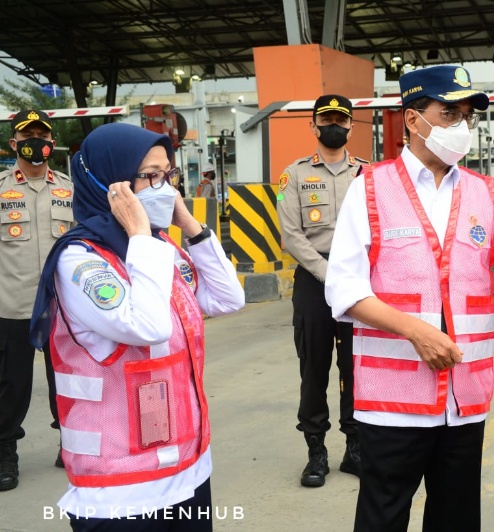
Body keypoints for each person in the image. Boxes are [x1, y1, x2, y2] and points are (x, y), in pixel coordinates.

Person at [324, 65, 494, 531]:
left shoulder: (483, 192)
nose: (461, 126)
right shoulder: (371, 189)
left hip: (464, 398)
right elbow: (343, 290)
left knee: (457, 519)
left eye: (467, 116)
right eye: (449, 113)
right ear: (412, 120)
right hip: (393, 403)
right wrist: (414, 331)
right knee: (382, 517)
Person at [29, 122, 245, 529]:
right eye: (148, 176)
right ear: (110, 184)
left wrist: (188, 223)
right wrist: (142, 232)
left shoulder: (160, 247)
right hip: (118, 486)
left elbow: (228, 298)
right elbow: (147, 327)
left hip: (187, 469)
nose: (161, 187)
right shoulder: (79, 259)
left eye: (167, 175)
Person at [276, 94, 368, 488]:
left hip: (360, 282)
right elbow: (290, 236)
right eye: (325, 119)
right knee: (314, 369)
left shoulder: (369, 174)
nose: (333, 125)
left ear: (350, 126)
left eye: (340, 119)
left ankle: (355, 447)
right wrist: (330, 274)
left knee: (356, 367)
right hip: (315, 282)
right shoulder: (293, 175)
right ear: (313, 126)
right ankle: (316, 451)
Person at [0, 109, 73, 492]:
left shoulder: (68, 188)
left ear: (50, 142)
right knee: (11, 384)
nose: (36, 142)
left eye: (43, 135)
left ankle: (72, 442)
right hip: (10, 305)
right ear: (14, 143)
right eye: (28, 136)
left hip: (62, 306)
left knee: (68, 378)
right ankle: (4, 452)